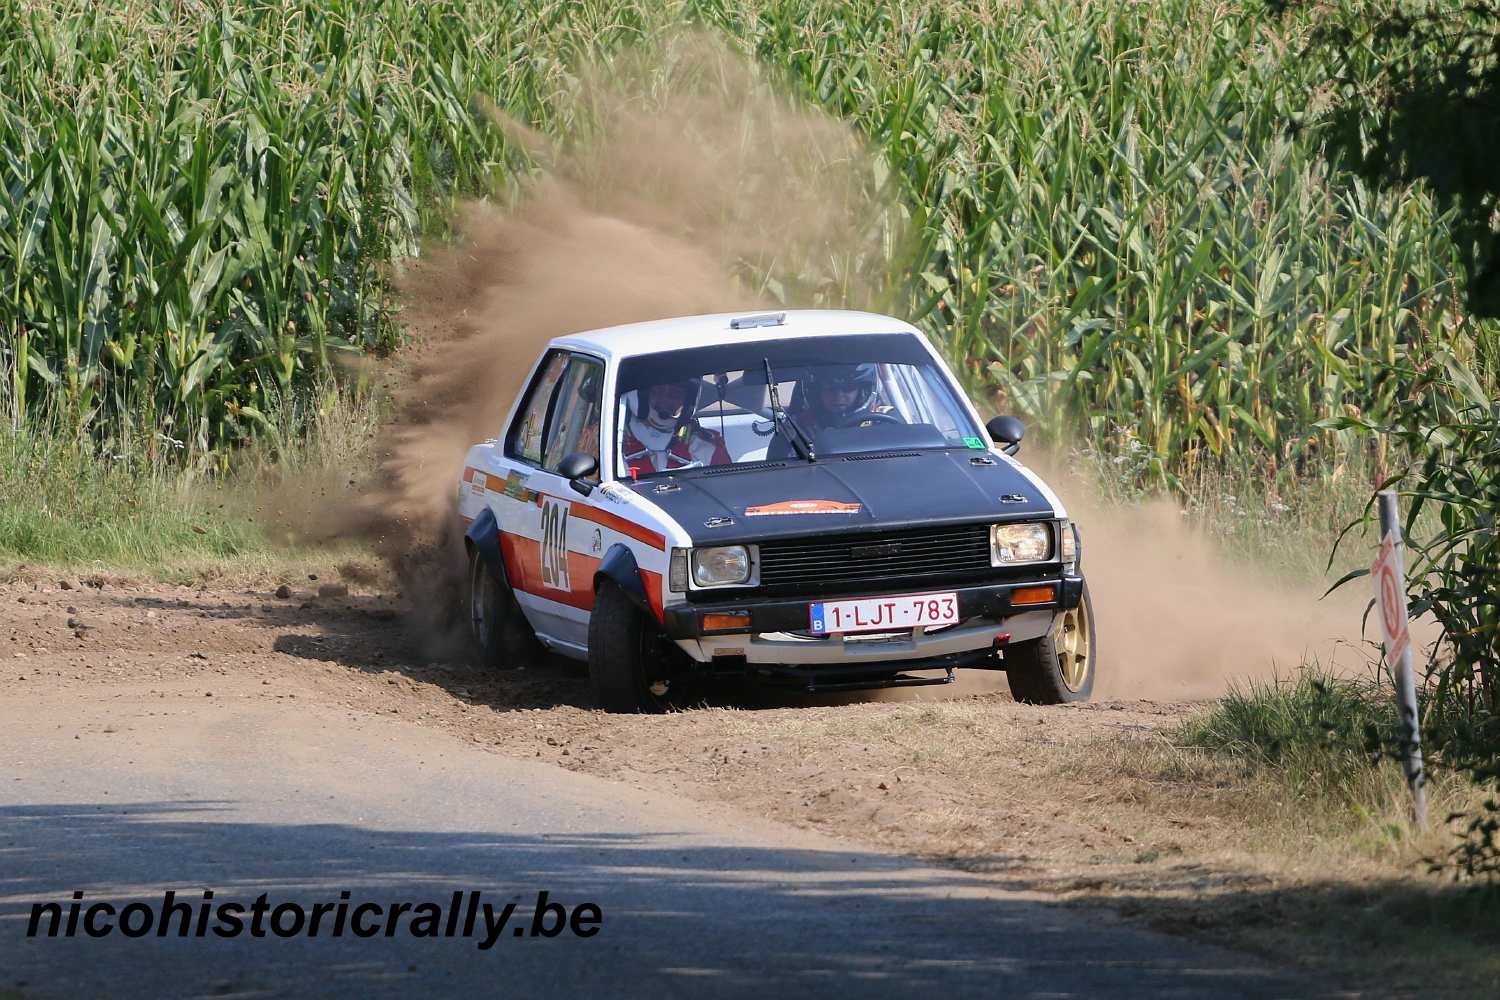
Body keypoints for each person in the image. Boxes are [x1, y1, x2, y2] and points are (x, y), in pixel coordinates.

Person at [619, 378, 731, 476]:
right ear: (641, 395)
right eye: (657, 392)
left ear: (688, 401)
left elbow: (728, 492)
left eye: (675, 395)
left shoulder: (706, 449)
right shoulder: (612, 446)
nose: (665, 400)